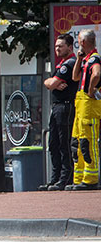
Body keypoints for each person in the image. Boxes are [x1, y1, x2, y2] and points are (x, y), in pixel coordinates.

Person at [41, 34, 77, 190]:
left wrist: (52, 83)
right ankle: (55, 178)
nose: (57, 49)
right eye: (56, 46)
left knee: (64, 143)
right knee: (53, 143)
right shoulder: (60, 64)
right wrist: (51, 83)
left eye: (60, 46)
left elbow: (53, 82)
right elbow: (49, 82)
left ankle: (65, 178)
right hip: (56, 106)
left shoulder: (69, 64)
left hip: (65, 106)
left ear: (70, 47)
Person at [68, 29, 101, 190]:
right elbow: (75, 77)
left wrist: (91, 89)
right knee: (77, 143)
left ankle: (91, 179)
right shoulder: (86, 59)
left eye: (79, 40)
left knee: (88, 142)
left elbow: (97, 73)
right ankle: (79, 177)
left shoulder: (95, 59)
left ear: (82, 42)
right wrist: (78, 59)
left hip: (89, 106)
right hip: (80, 107)